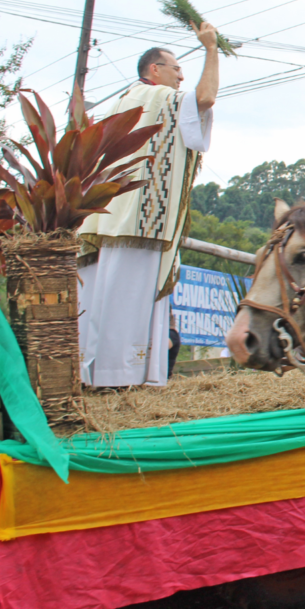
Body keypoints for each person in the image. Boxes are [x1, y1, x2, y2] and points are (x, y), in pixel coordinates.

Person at [78, 23, 220, 387]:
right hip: (140, 220)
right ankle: (119, 377)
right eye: (176, 69)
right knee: (127, 301)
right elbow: (204, 99)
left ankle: (103, 374)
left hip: (110, 218)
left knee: (104, 299)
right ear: (154, 71)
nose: (181, 77)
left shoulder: (123, 102)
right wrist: (211, 49)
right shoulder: (153, 97)